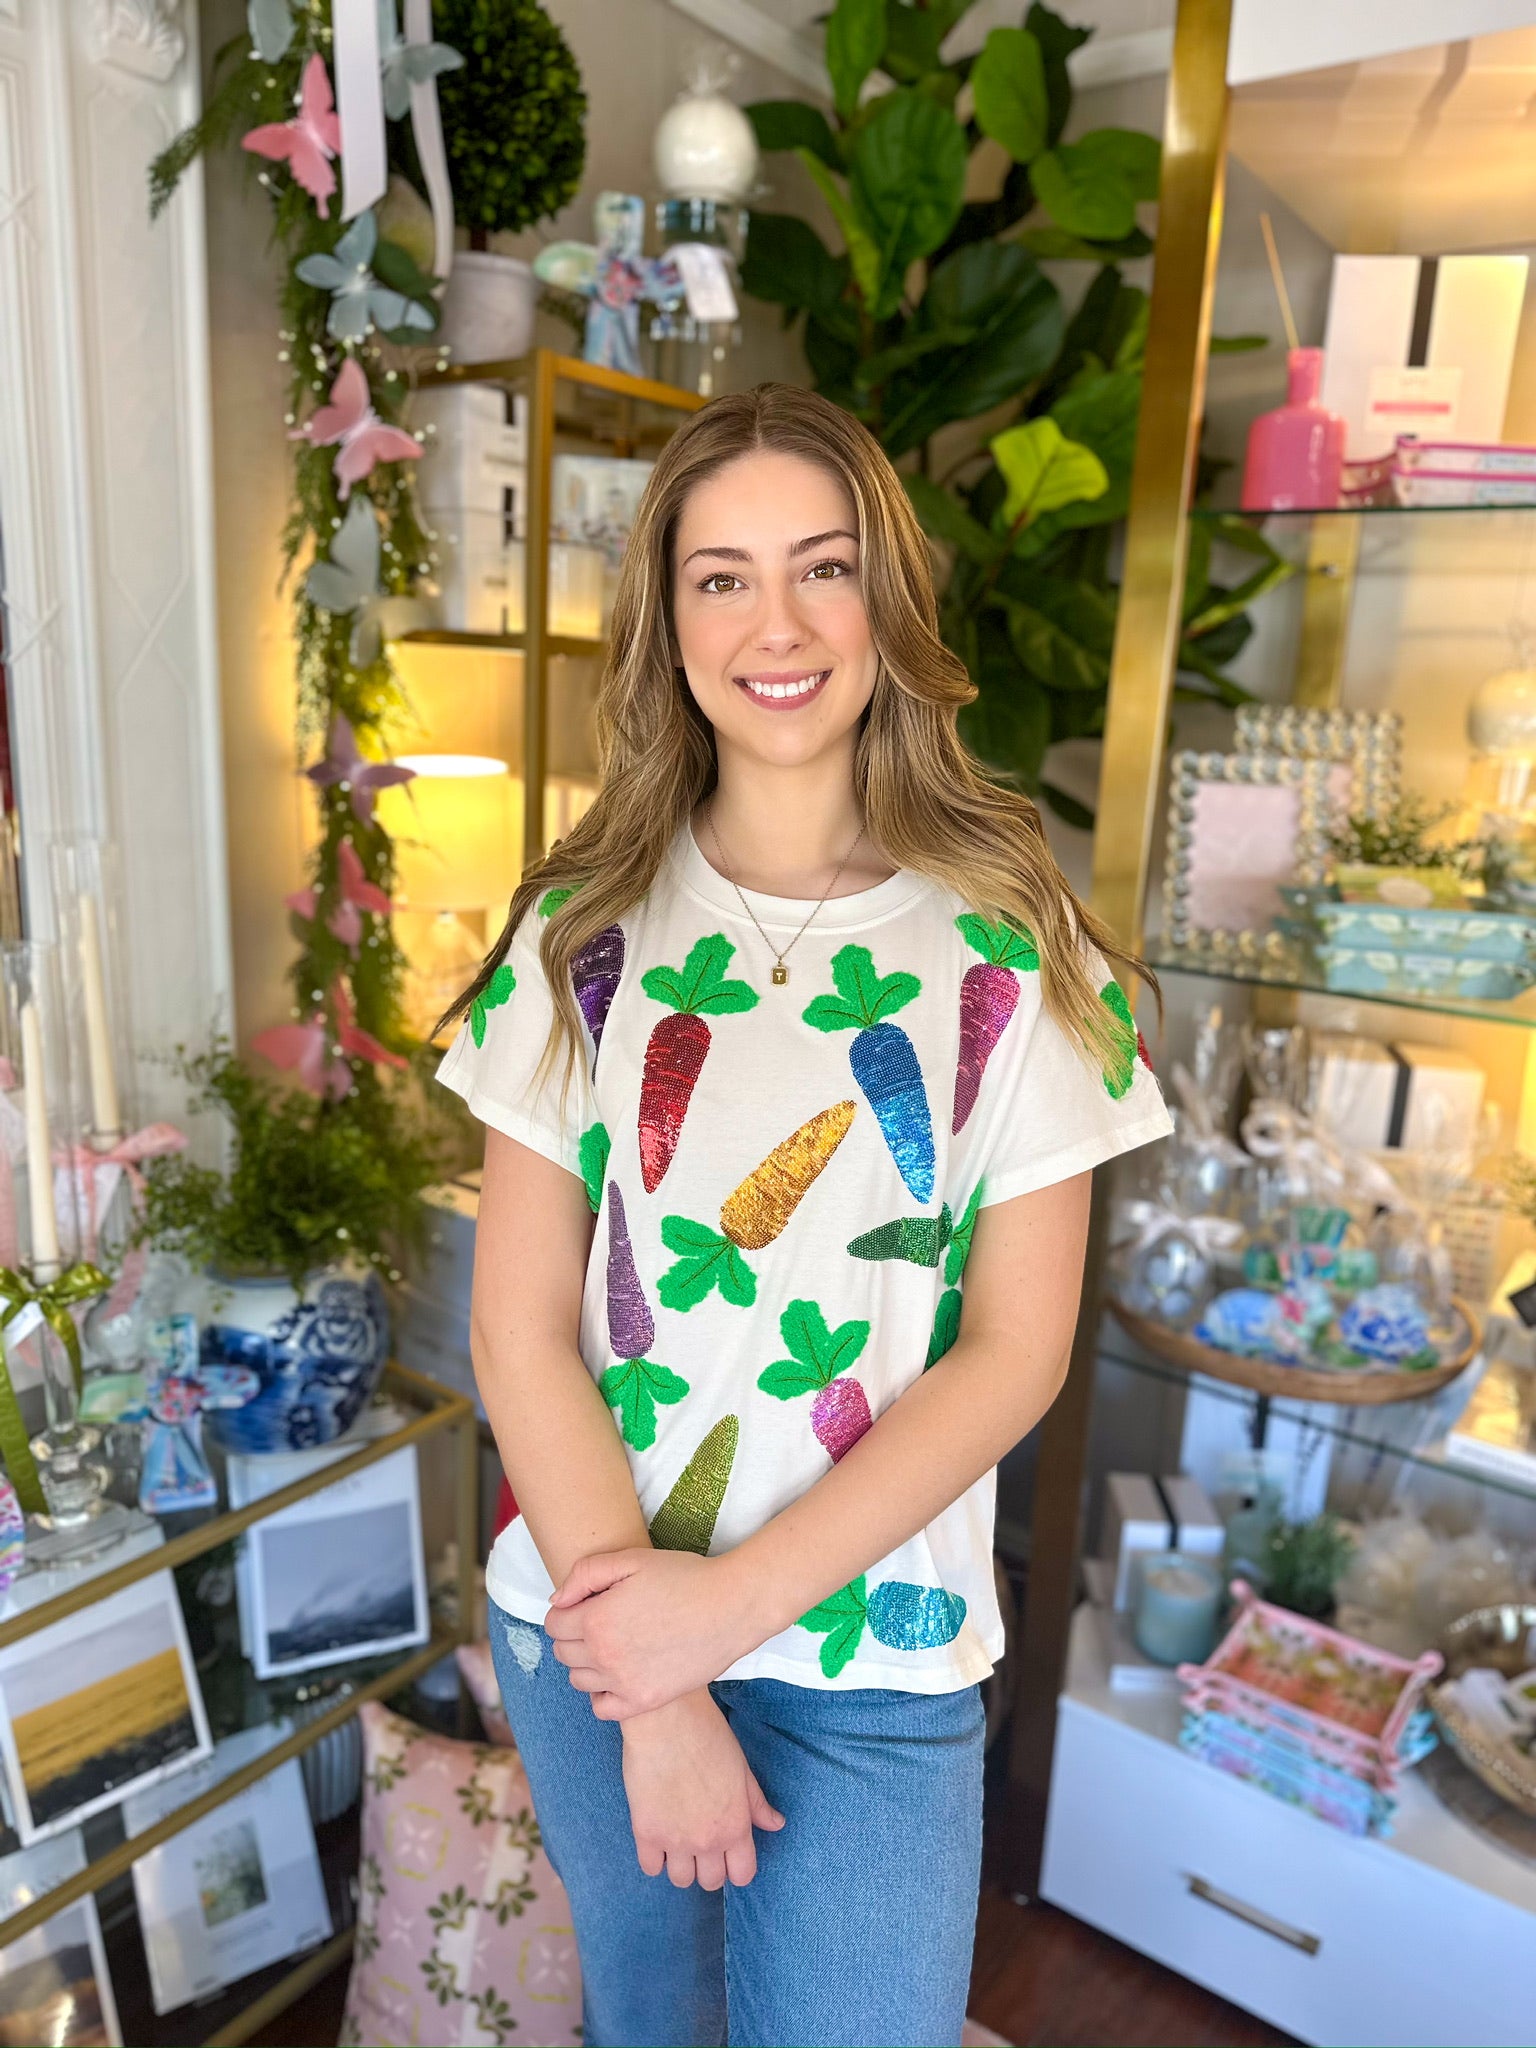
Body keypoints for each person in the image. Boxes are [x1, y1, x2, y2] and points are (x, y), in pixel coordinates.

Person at [435, 382, 1171, 2048]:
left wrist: (733, 1610)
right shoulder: (578, 928)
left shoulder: (1016, 938)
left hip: (882, 1652)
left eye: (821, 567)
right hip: (602, 1629)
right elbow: (519, 1325)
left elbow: (1015, 1355)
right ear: (668, 626)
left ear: (885, 604)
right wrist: (663, 1668)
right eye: (721, 577)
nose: (776, 622)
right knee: (655, 2032)